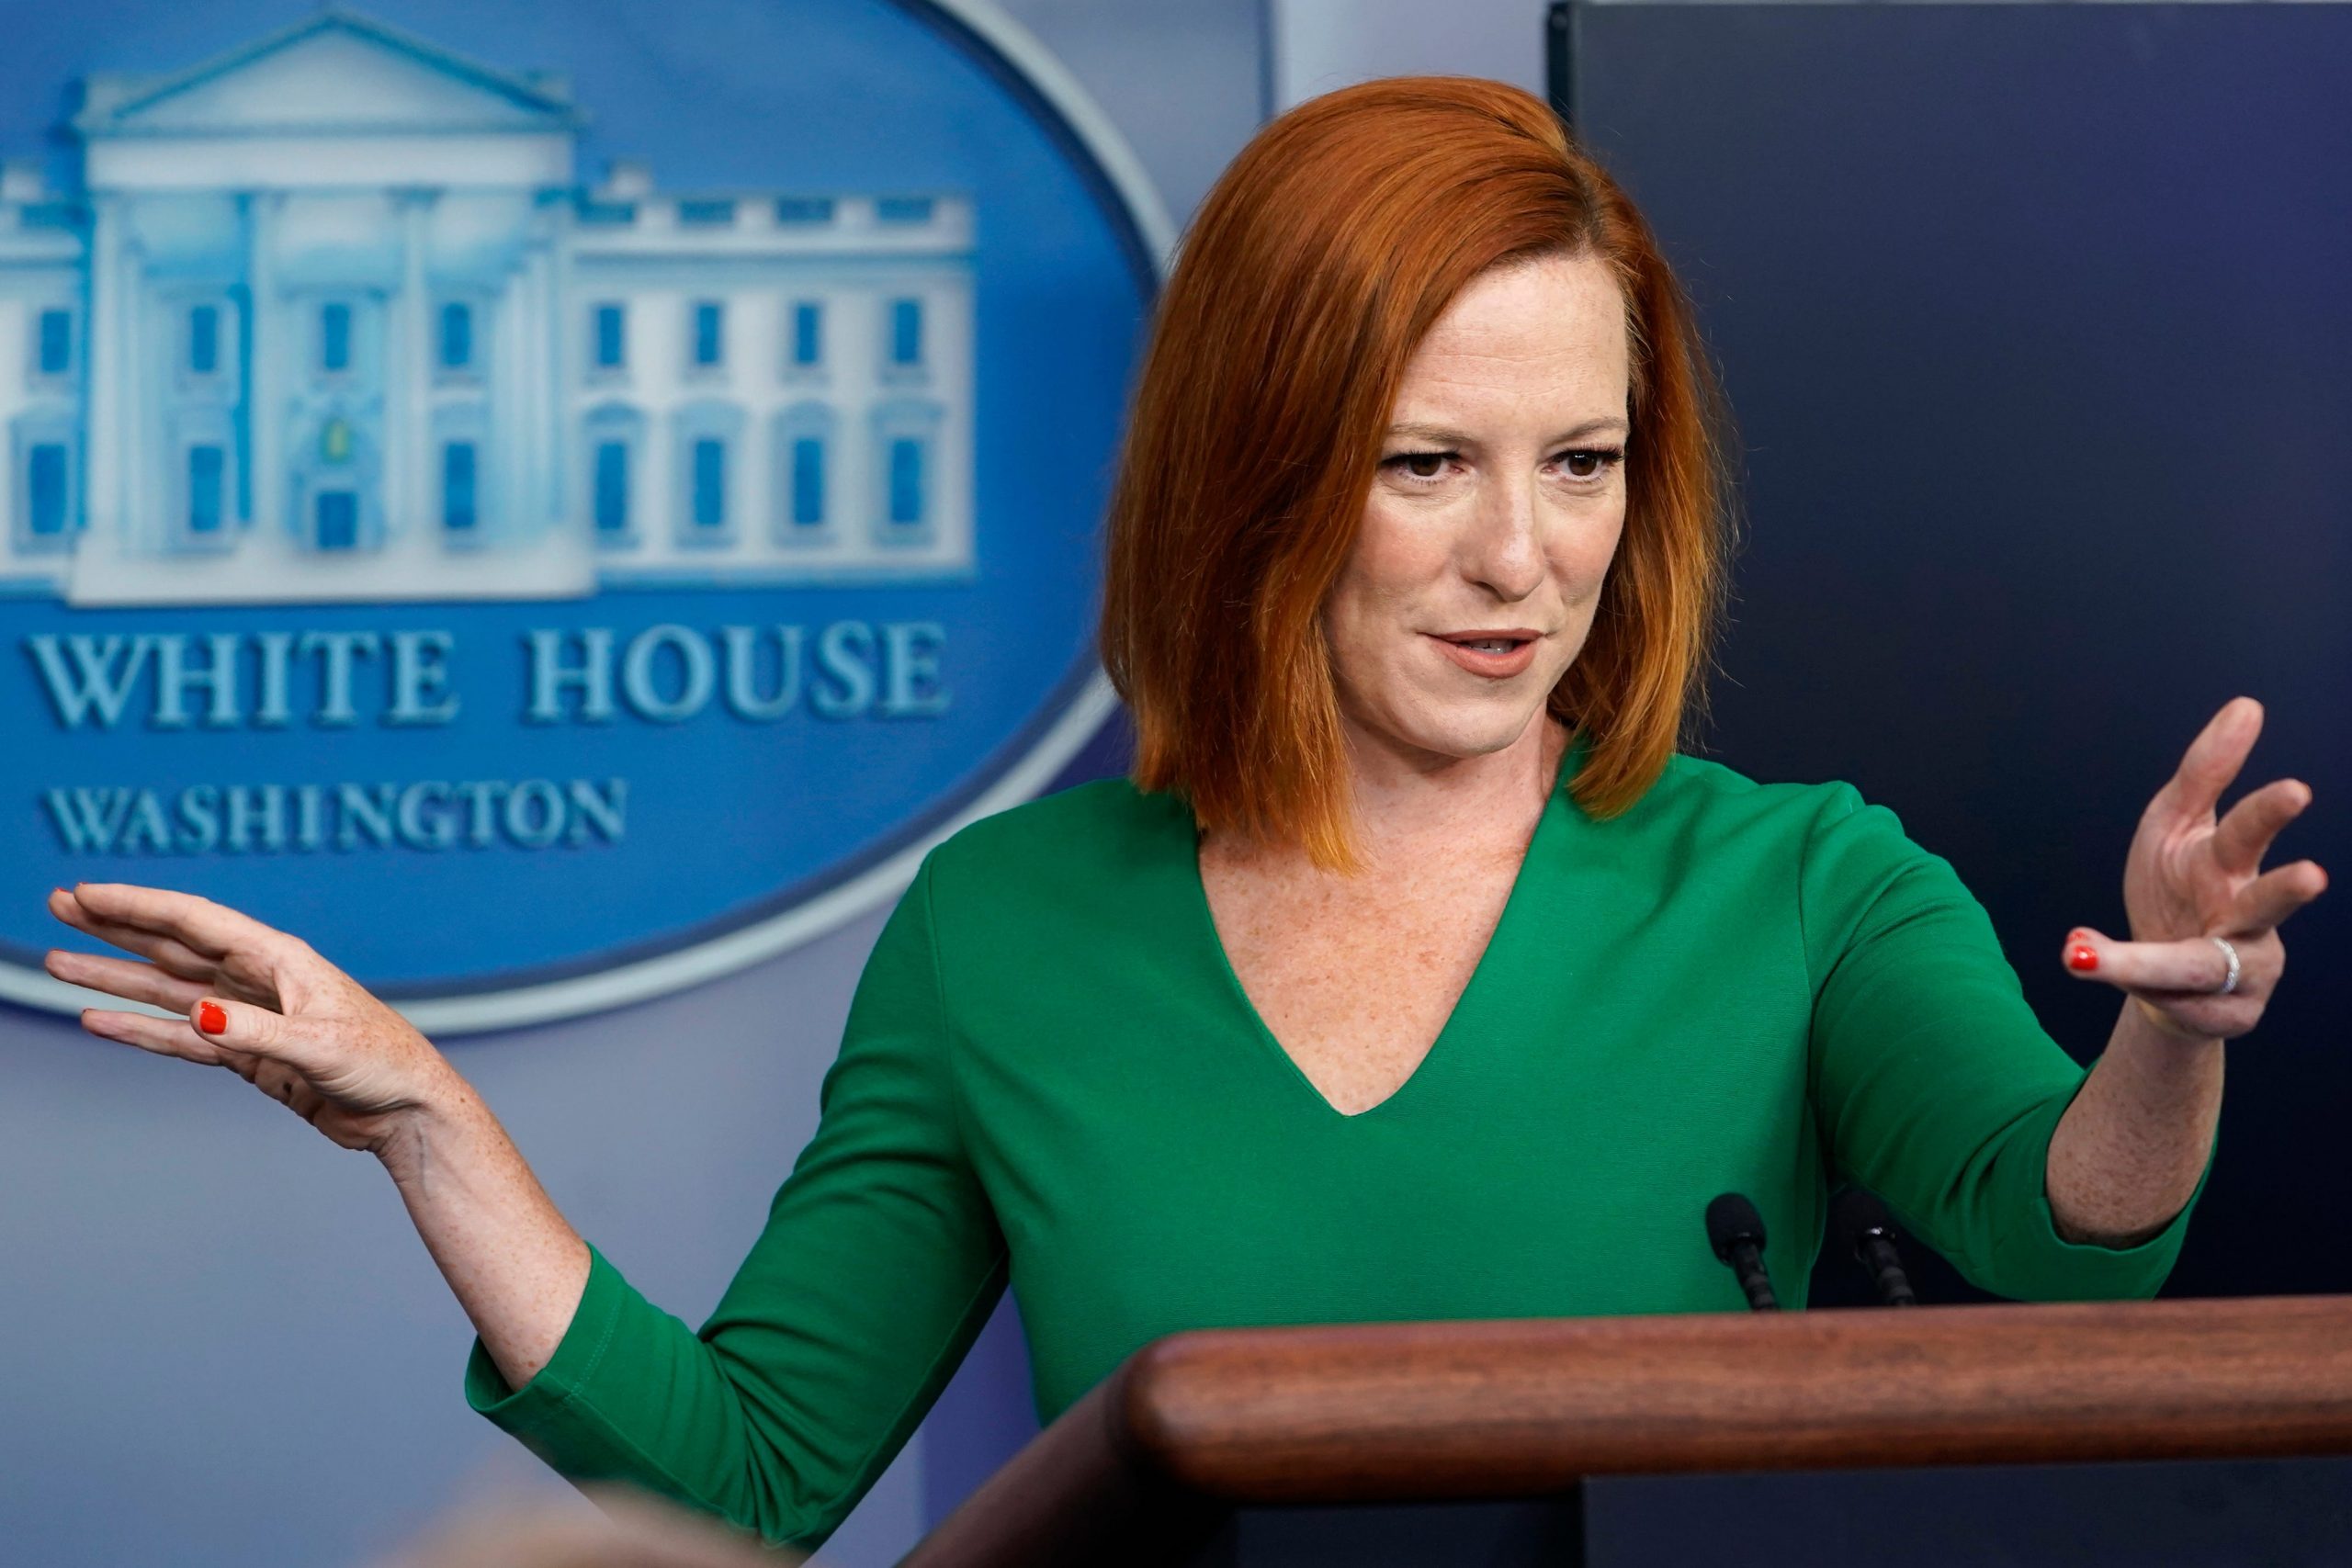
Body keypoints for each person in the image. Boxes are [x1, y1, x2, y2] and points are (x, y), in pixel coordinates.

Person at [41, 78, 2324, 1553]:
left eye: (1582, 462)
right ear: (1259, 474)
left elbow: (2050, 1236)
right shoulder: (1008, 928)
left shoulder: (1805, 879)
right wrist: (430, 1117)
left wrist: (2168, 1031)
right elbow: (739, 1477)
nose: (1520, 556)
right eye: (1426, 464)